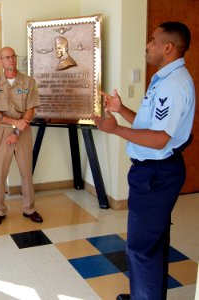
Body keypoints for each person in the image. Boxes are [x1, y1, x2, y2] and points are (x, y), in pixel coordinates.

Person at [94, 22, 195, 300]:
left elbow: (159, 139)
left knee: (141, 247)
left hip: (157, 174)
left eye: (152, 40)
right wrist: (121, 110)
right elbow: (148, 125)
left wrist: (114, 129)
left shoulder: (173, 84)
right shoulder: (163, 78)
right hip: (153, 173)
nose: (147, 46)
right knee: (153, 243)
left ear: (168, 47)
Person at [0, 46, 43, 227]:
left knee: (26, 172)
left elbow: (31, 109)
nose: (11, 60)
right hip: (3, 132)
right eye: (6, 57)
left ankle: (29, 209)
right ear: (0, 61)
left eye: (13, 56)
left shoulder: (28, 82)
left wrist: (17, 130)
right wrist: (13, 124)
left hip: (23, 132)